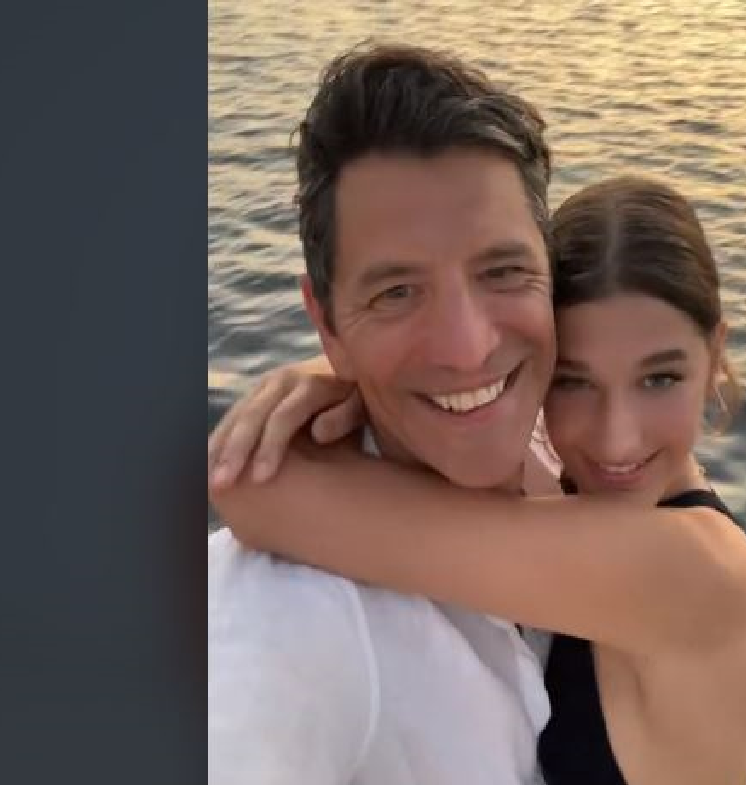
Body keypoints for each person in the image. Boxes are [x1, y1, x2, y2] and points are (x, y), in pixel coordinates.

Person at [211, 175, 746, 784]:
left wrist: (349, 368)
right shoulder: (587, 489)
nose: (616, 439)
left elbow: (259, 493)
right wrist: (348, 374)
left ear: (715, 355)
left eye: (660, 378)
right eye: (572, 381)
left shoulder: (698, 573)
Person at [207, 42, 561, 784]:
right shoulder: (289, 619)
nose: (468, 349)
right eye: (396, 293)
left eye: (503, 271)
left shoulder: (577, 442)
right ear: (327, 324)